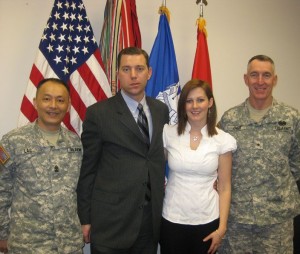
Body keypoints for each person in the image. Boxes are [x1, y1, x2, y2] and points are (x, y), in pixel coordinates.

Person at [76, 47, 169, 254]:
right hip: (111, 222)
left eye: (139, 68)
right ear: (117, 73)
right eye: (126, 69)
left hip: (149, 220)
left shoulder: (161, 111)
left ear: (149, 72)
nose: (133, 75)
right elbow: (88, 170)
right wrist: (85, 218)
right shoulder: (98, 114)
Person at [218, 55, 300, 253]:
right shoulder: (229, 119)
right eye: (254, 75)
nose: (260, 81)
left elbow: (296, 165)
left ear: (275, 79)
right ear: (246, 79)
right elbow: (220, 165)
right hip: (237, 219)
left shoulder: (291, 118)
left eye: (266, 75)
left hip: (277, 221)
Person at [0, 78, 83, 253]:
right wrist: (1, 234)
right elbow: (1, 191)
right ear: (35, 103)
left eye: (60, 100)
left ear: (68, 106)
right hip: (28, 245)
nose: (53, 105)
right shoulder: (12, 141)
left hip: (69, 245)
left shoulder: (76, 143)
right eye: (46, 99)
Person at [159, 79, 237, 254]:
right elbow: (154, 169)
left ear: (210, 103)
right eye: (189, 100)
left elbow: (225, 187)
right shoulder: (168, 133)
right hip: (172, 219)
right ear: (183, 104)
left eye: (200, 100)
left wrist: (221, 228)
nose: (195, 106)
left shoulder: (223, 140)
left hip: (207, 221)